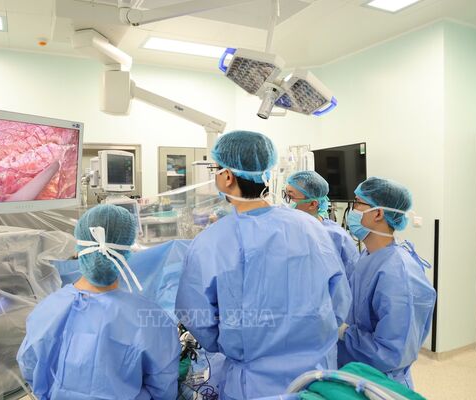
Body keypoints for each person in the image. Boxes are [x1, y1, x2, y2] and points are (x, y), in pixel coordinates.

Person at [175, 130, 351, 400]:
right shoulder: (311, 228)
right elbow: (338, 302)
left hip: (252, 386)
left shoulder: (211, 242)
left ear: (227, 176)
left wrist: (236, 342)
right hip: (315, 382)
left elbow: (197, 317)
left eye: (216, 169)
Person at [17, 204, 180, 400]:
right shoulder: (150, 318)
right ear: (127, 252)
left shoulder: (46, 311)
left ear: (79, 249)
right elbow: (164, 387)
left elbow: (30, 369)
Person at [338, 177, 436, 389]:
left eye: (357, 203)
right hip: (357, 373)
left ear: (378, 213)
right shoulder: (368, 256)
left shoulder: (398, 273)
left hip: (382, 385)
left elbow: (391, 354)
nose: (352, 210)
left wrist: (344, 333)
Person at [285, 170, 360, 279]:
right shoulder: (286, 231)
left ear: (312, 204)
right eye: (285, 195)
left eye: (290, 197)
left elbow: (351, 278)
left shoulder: (336, 237)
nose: (286, 202)